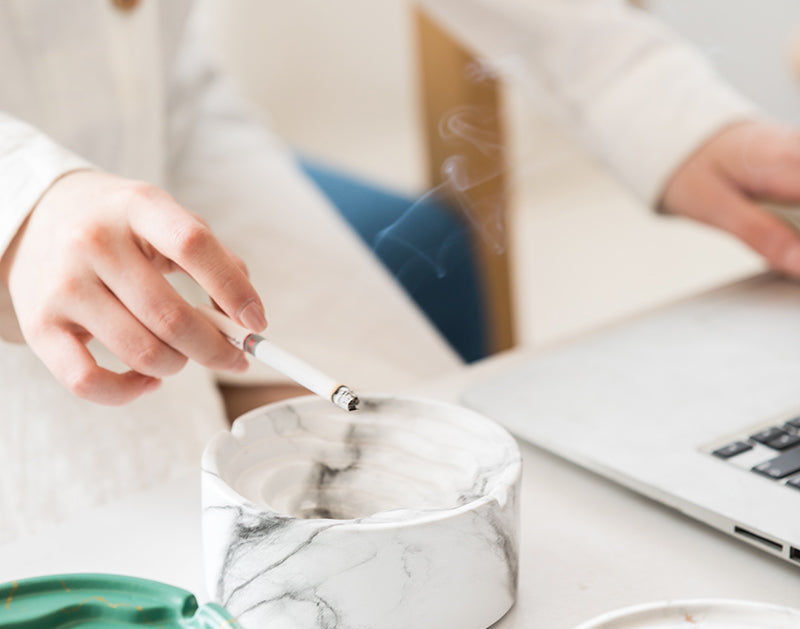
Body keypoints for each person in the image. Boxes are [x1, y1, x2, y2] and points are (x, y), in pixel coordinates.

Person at [1, 0, 799, 543]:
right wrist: (24, 205)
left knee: (471, 498)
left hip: (169, 132)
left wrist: (663, 108)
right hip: (26, 217)